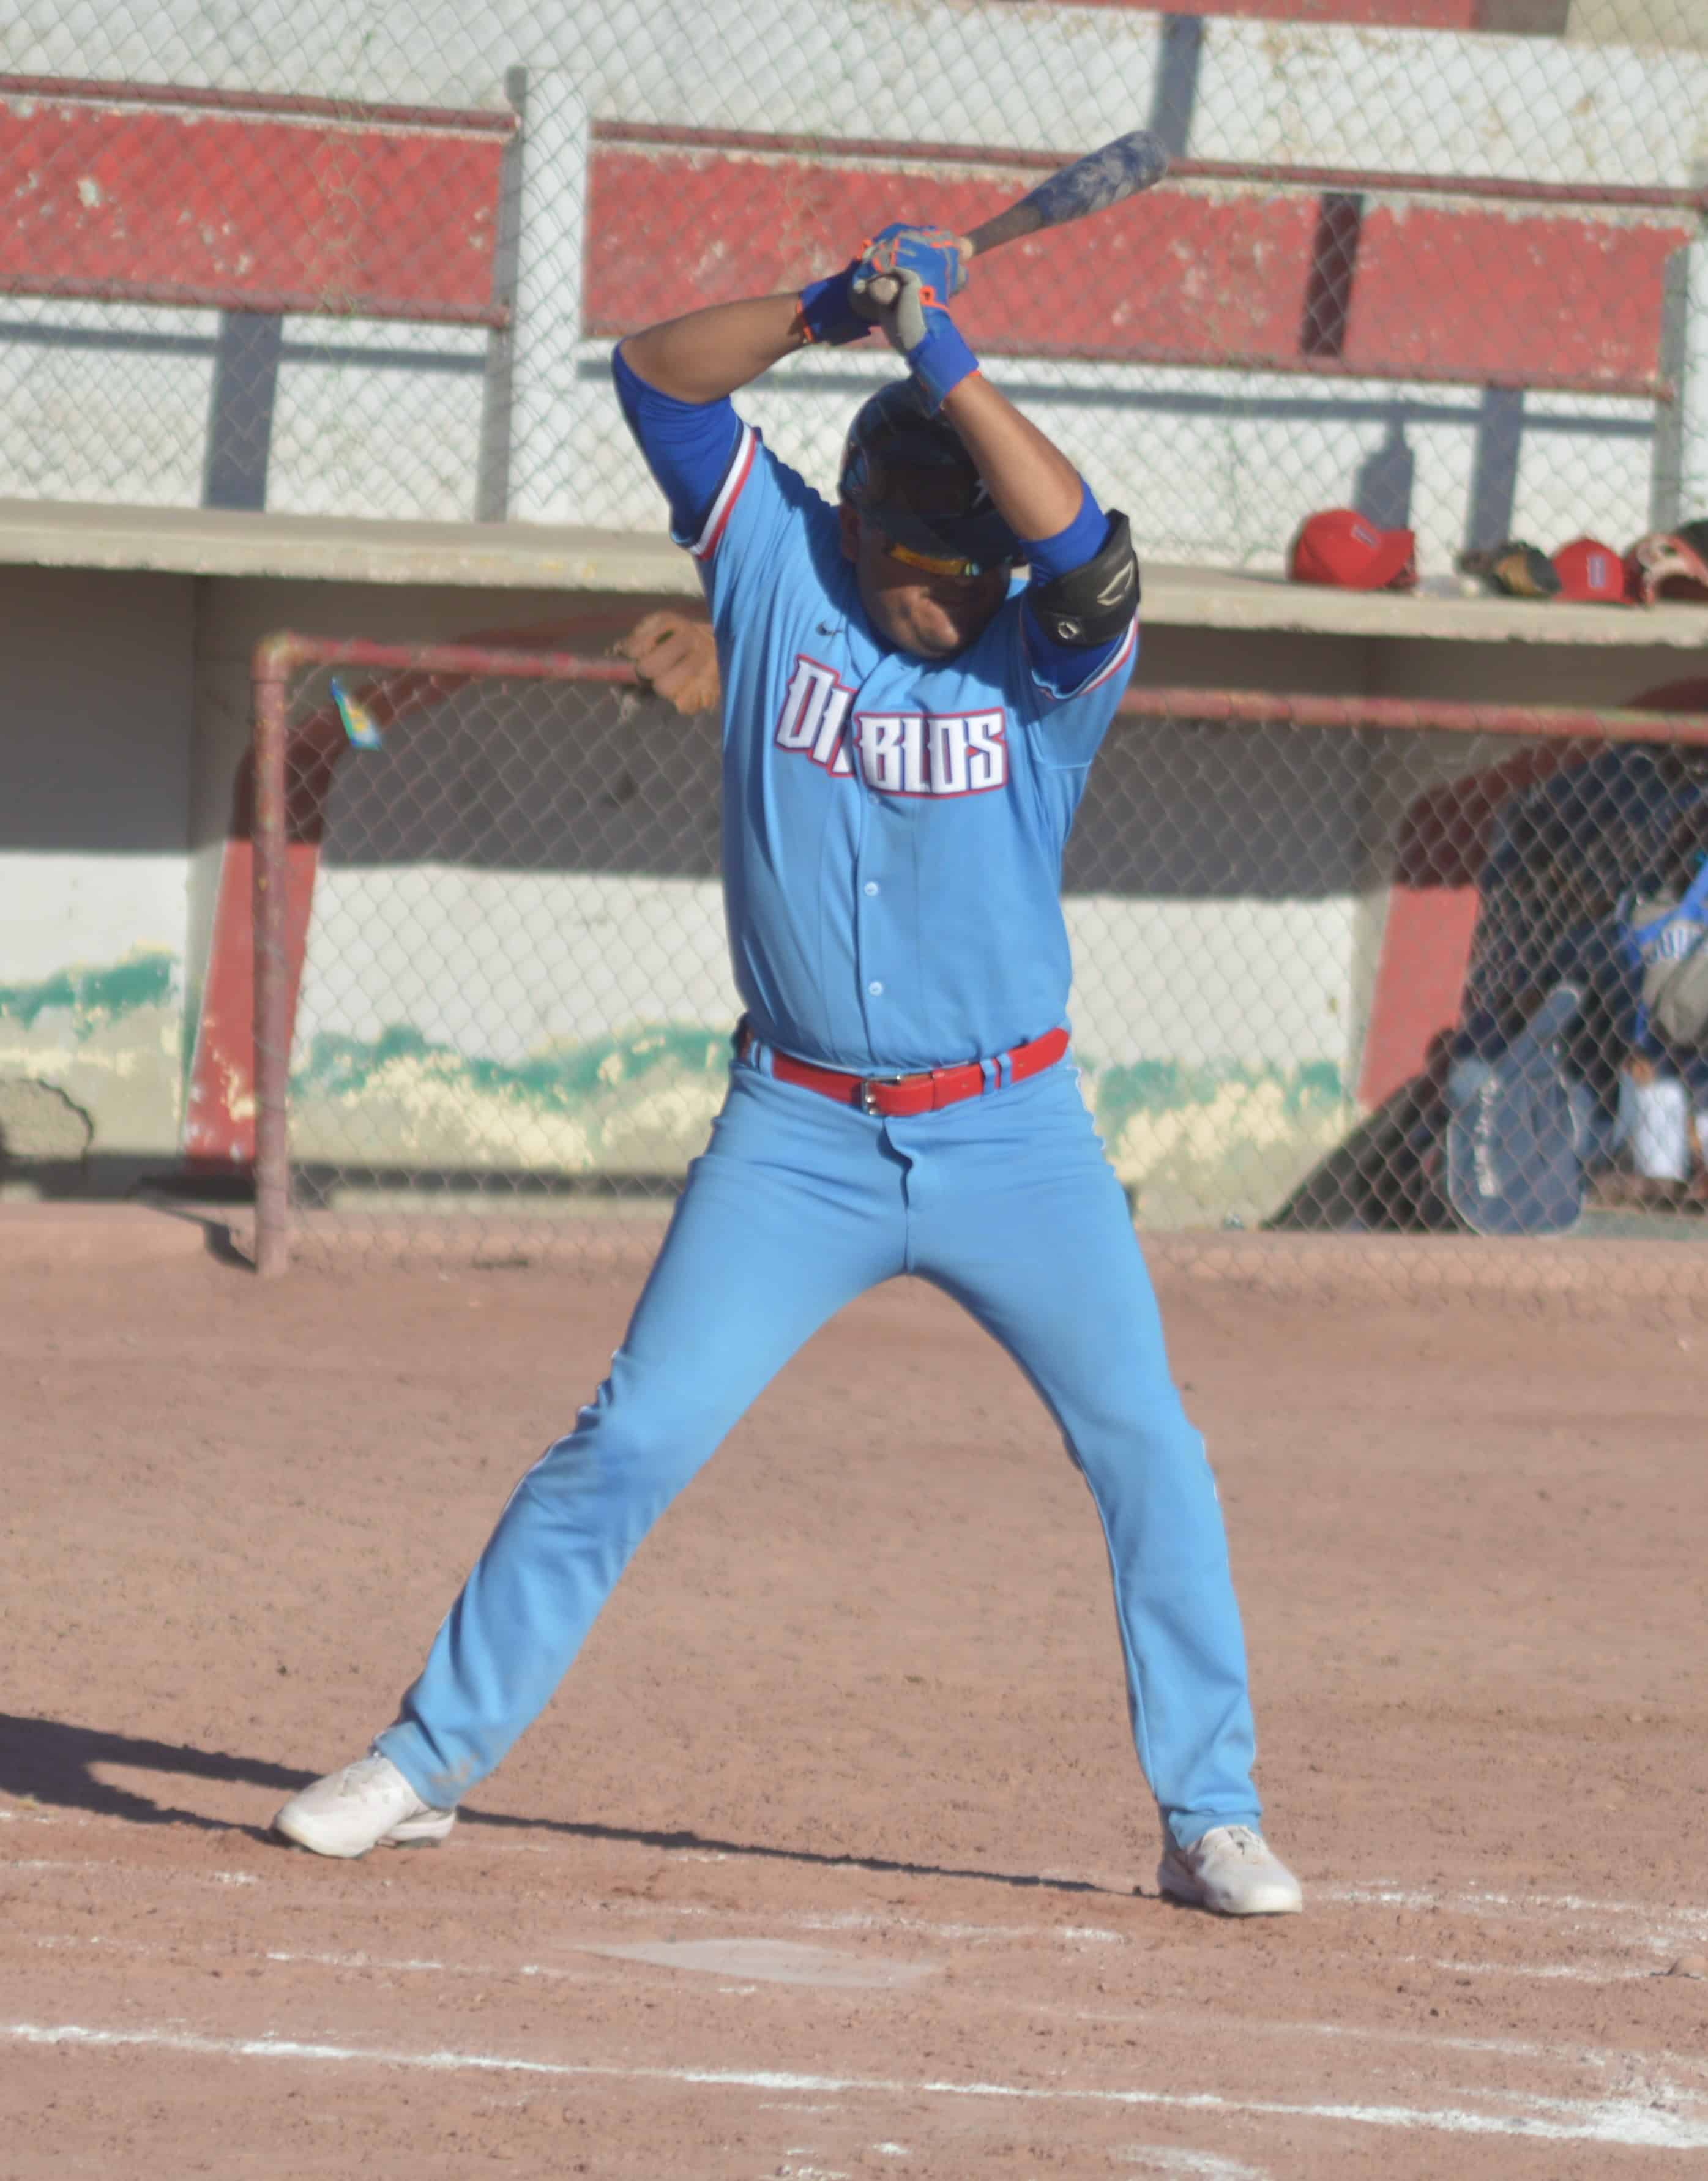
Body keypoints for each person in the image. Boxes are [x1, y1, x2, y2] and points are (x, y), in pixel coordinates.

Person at [272, 225, 1302, 1916]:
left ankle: (1212, 1813)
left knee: (1149, 1449)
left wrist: (944, 358)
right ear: (862, 523)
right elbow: (657, 378)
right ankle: (430, 1758)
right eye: (922, 557)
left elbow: (1089, 550)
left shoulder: (1046, 658)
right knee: (633, 1437)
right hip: (798, 1135)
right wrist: (827, 312)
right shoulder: (778, 564)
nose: (945, 588)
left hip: (1017, 1135)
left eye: (973, 566)